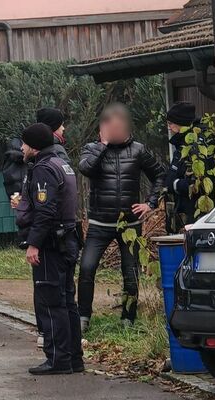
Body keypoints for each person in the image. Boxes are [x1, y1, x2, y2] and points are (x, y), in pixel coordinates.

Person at [77, 104, 166, 330]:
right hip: (99, 222)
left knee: (130, 272)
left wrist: (150, 203)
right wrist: (103, 145)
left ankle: (128, 319)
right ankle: (83, 317)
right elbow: (86, 169)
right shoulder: (91, 149)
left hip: (130, 223)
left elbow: (159, 175)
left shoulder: (138, 150)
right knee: (87, 268)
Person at [16, 123, 84, 375]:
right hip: (67, 241)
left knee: (51, 302)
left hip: (51, 246)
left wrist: (33, 243)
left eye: (23, 143)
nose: (21, 148)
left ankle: (57, 359)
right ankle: (74, 358)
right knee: (67, 303)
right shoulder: (61, 164)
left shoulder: (44, 169)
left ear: (33, 146)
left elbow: (45, 212)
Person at [165, 102, 199, 231]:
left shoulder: (194, 147)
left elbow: (195, 185)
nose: (169, 128)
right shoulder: (180, 146)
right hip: (179, 210)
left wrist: (174, 184)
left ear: (180, 123)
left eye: (170, 124)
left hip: (193, 213)